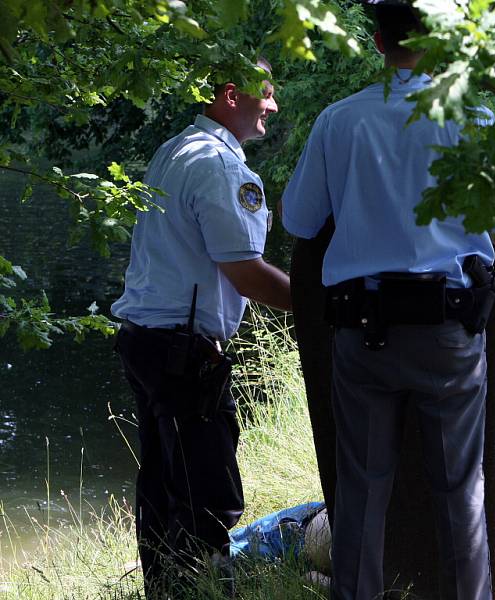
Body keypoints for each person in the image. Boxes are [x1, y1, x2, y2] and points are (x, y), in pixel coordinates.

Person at [280, 3, 495, 599]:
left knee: (362, 492)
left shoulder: (338, 120)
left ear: (377, 41)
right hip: (449, 331)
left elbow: (300, 218)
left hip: (363, 330)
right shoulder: (473, 118)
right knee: (460, 492)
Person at [111, 60, 291, 596]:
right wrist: (320, 307)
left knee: (164, 487)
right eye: (267, 94)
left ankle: (166, 592)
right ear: (231, 95)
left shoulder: (176, 148)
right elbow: (246, 274)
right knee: (207, 495)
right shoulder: (220, 166)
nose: (274, 106)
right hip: (182, 350)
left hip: (146, 341)